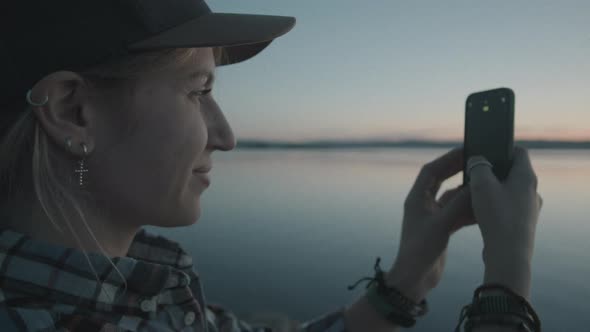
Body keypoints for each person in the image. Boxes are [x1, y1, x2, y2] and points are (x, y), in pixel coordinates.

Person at [0, 1, 543, 331]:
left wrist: (408, 277)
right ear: (74, 112)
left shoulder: (138, 289)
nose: (227, 136)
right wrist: (507, 281)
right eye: (199, 92)